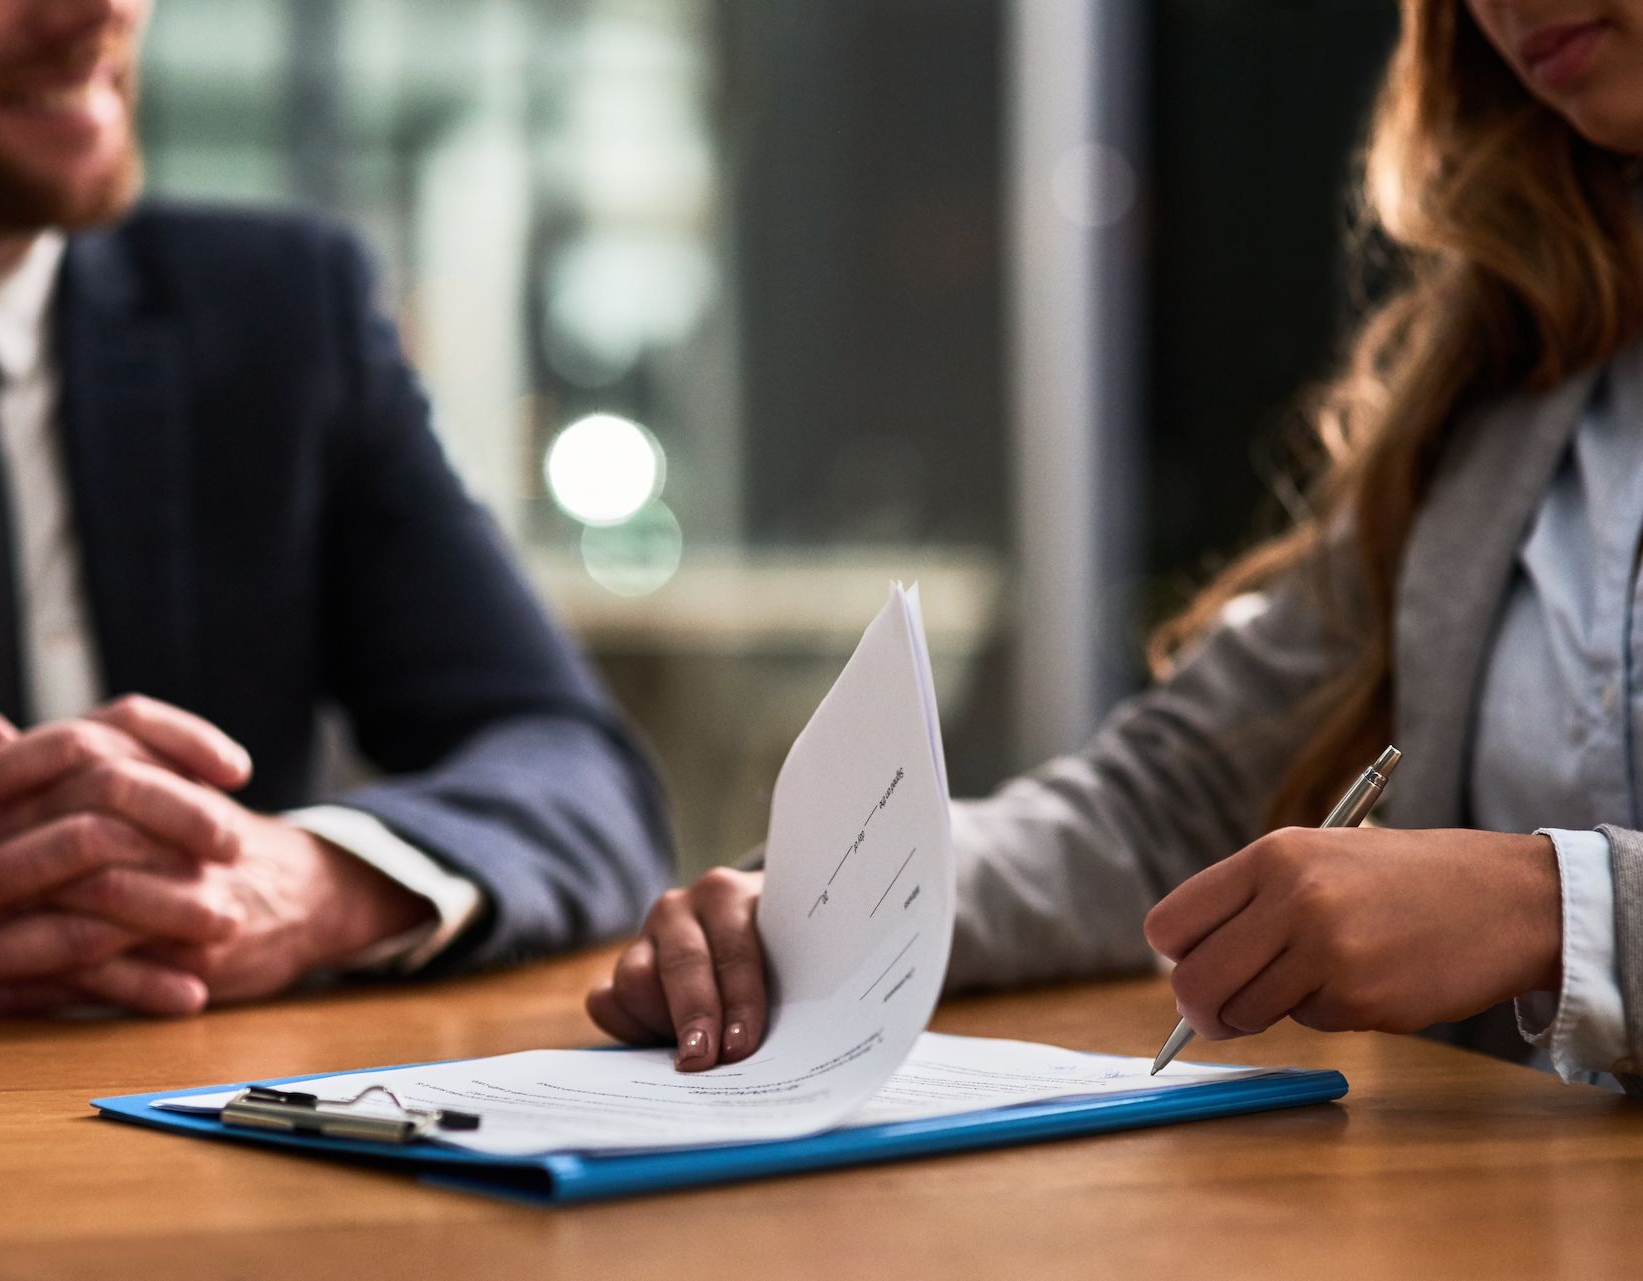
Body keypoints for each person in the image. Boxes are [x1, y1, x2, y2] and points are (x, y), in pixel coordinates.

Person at [590, 0, 1643, 1090]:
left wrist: (1557, 912)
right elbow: (1172, 803)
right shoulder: (1518, 367)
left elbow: (1538, 906)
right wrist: (824, 908)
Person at [0, 0, 670, 1016]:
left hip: (197, 1120)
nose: (104, 11)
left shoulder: (283, 313)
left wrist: (312, 887)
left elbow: (575, 771)